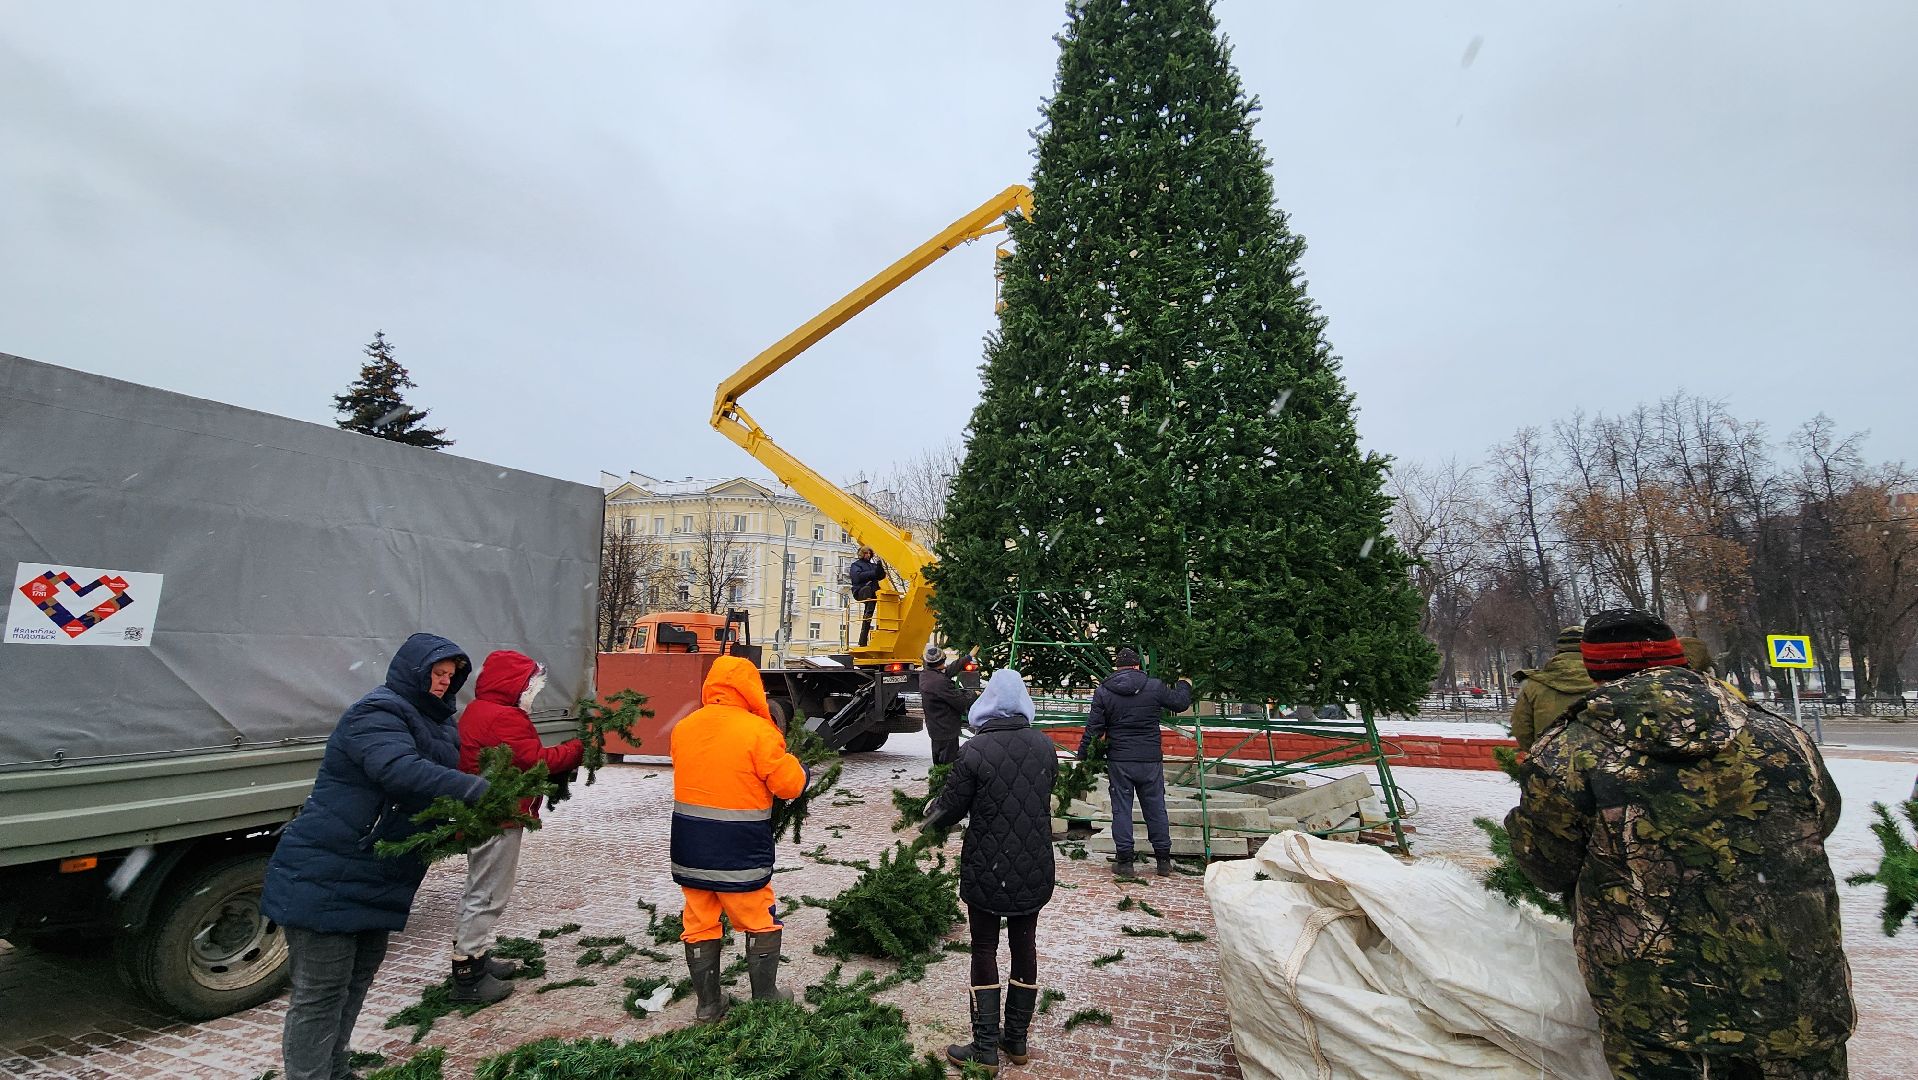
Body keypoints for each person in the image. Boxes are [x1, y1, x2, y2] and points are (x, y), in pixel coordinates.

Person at [1505, 609, 1854, 1079]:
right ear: (1678, 656)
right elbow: (1821, 819)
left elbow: (1547, 865)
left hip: (1660, 1004)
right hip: (1797, 989)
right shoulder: (1779, 734)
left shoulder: (1569, 749)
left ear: (1594, 668)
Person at [262, 634, 491, 1080]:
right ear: (413, 670)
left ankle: (337, 1070)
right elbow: (397, 769)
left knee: (354, 985)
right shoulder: (379, 710)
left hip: (382, 872)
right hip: (329, 868)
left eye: (450, 675)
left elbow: (431, 784)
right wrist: (470, 790)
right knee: (320, 993)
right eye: (436, 673)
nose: (444, 683)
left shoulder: (439, 722)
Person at [924, 667, 1058, 1074]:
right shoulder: (1045, 746)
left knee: (984, 948)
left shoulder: (975, 750)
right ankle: (1016, 1040)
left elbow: (949, 810)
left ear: (988, 704)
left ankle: (984, 1048)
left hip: (987, 867)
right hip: (1034, 866)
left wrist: (928, 815)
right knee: (1025, 945)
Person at [670, 655, 809, 1022]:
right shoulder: (758, 732)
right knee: (758, 918)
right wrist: (801, 768)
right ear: (750, 689)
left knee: (698, 919)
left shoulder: (685, 727)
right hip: (739, 851)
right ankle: (766, 998)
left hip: (690, 847)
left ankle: (708, 1005)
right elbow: (788, 785)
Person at [450, 650, 584, 1003]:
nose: (532, 695)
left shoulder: (480, 709)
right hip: (499, 814)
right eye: (529, 687)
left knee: (481, 886)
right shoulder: (503, 717)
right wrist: (578, 748)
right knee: (489, 893)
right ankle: (467, 975)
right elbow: (535, 761)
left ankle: (475, 957)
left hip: (485, 810)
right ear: (514, 685)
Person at [1076, 646, 1193, 877]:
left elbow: (1094, 728)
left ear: (1117, 667)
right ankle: (1163, 861)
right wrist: (1184, 683)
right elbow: (1180, 703)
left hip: (1120, 759)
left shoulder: (1104, 691)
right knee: (1156, 807)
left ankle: (1126, 862)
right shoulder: (1154, 686)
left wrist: (1083, 755)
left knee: (1122, 810)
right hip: (1150, 759)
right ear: (1138, 665)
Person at [1509, 625, 1595, 751]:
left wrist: (1537, 753)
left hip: (1549, 763)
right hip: (1601, 762)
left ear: (1558, 649)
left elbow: (1521, 728)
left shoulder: (1533, 686)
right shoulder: (1608, 682)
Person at [919, 642, 979, 766]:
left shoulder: (926, 675)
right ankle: (946, 784)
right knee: (948, 767)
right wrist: (974, 694)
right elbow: (961, 702)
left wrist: (968, 657)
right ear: (942, 661)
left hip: (935, 728)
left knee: (939, 765)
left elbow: (948, 671)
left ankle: (939, 783)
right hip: (946, 730)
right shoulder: (940, 683)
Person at [849, 546, 884, 647]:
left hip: (872, 593)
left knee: (868, 617)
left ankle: (863, 641)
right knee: (867, 590)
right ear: (861, 554)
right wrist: (874, 573)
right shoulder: (856, 565)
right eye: (866, 553)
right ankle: (862, 641)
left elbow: (881, 576)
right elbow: (857, 576)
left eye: (869, 553)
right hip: (861, 591)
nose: (868, 555)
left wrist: (879, 567)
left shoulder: (872, 565)